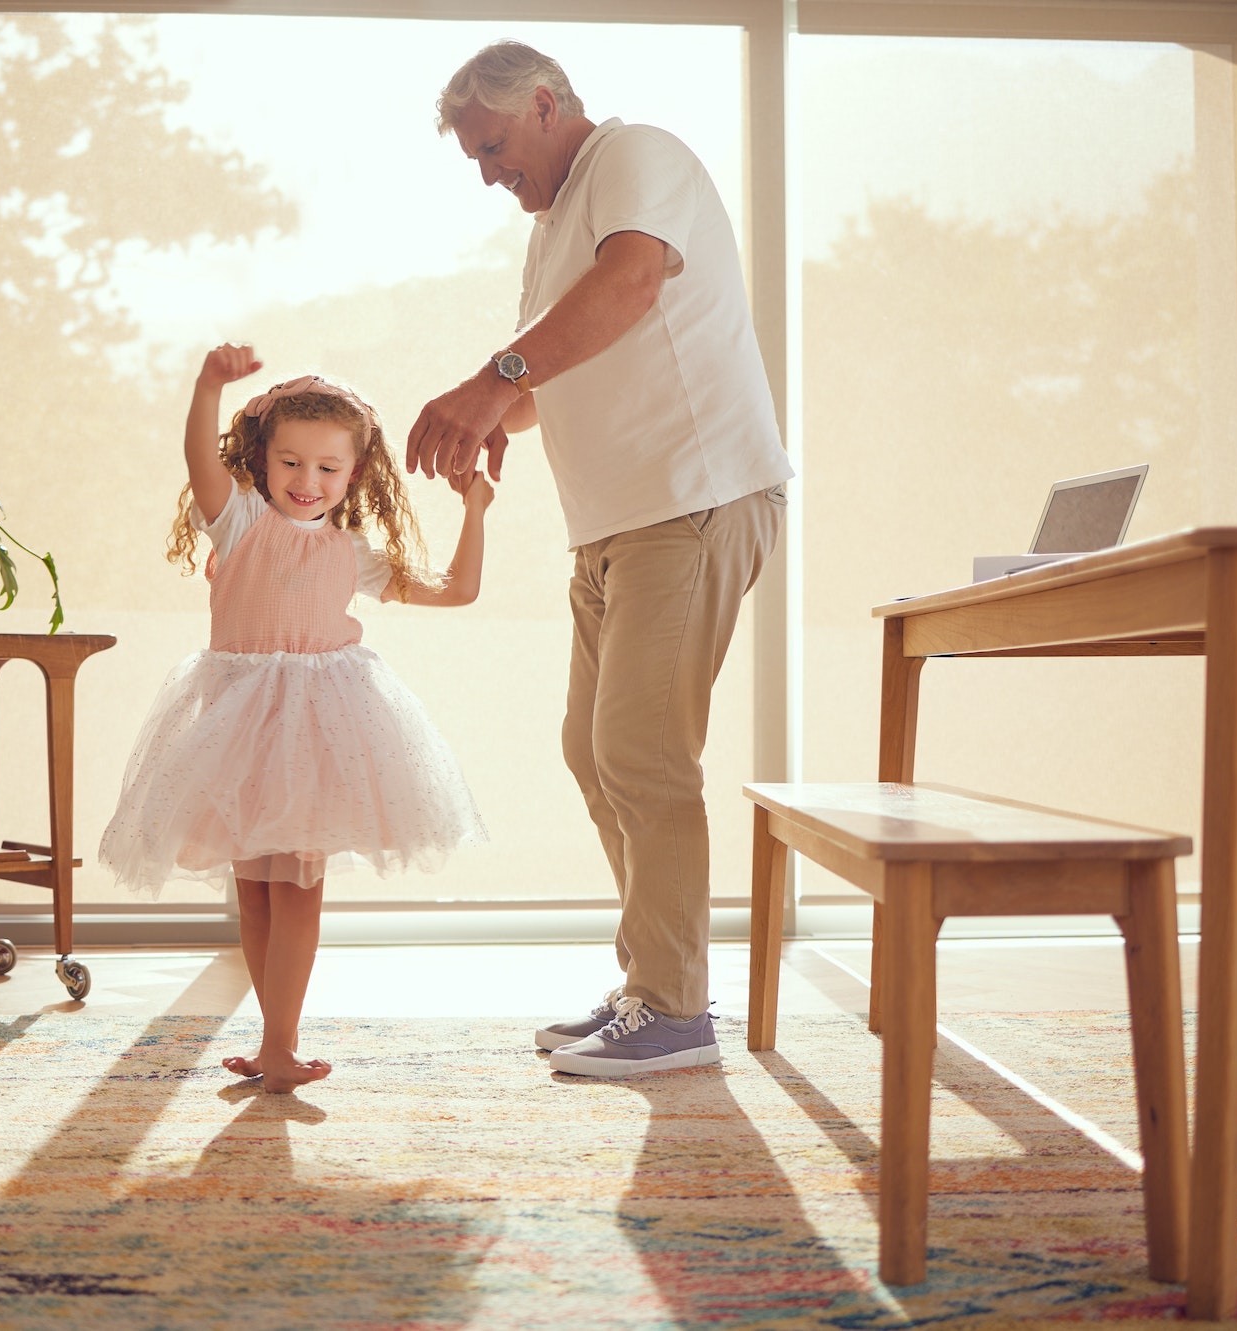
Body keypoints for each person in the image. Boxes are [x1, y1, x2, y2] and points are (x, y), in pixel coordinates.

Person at [409, 42, 795, 1077]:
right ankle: (649, 986)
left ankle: (672, 1008)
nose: (489, 174)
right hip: (616, 527)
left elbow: (628, 286)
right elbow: (568, 361)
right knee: (592, 751)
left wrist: (492, 379)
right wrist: (505, 408)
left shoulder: (633, 155)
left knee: (640, 751)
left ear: (543, 105)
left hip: (692, 500)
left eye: (492, 148)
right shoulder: (551, 227)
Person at [100, 342, 493, 1093]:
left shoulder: (353, 553)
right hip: (240, 732)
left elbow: (458, 590)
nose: (306, 482)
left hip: (318, 736)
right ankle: (272, 1040)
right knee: (251, 888)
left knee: (296, 889)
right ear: (260, 458)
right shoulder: (239, 521)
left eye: (326, 468)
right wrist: (208, 387)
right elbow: (195, 459)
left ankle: (280, 1041)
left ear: (354, 475)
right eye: (290, 462)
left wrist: (475, 511)